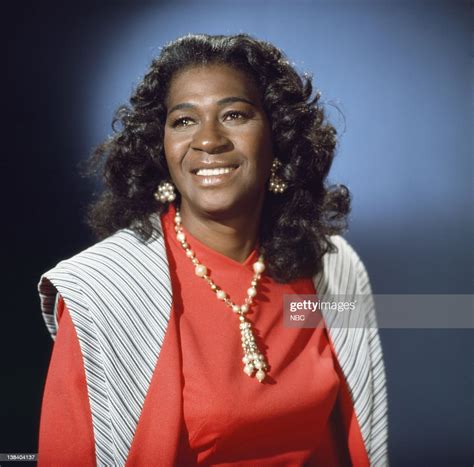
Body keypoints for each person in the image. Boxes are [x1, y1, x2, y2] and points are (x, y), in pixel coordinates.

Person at [37, 33, 388, 466]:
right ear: (160, 148)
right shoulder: (103, 292)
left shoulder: (329, 271)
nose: (209, 139)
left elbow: (351, 437)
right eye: (184, 121)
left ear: (277, 137)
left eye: (235, 114)